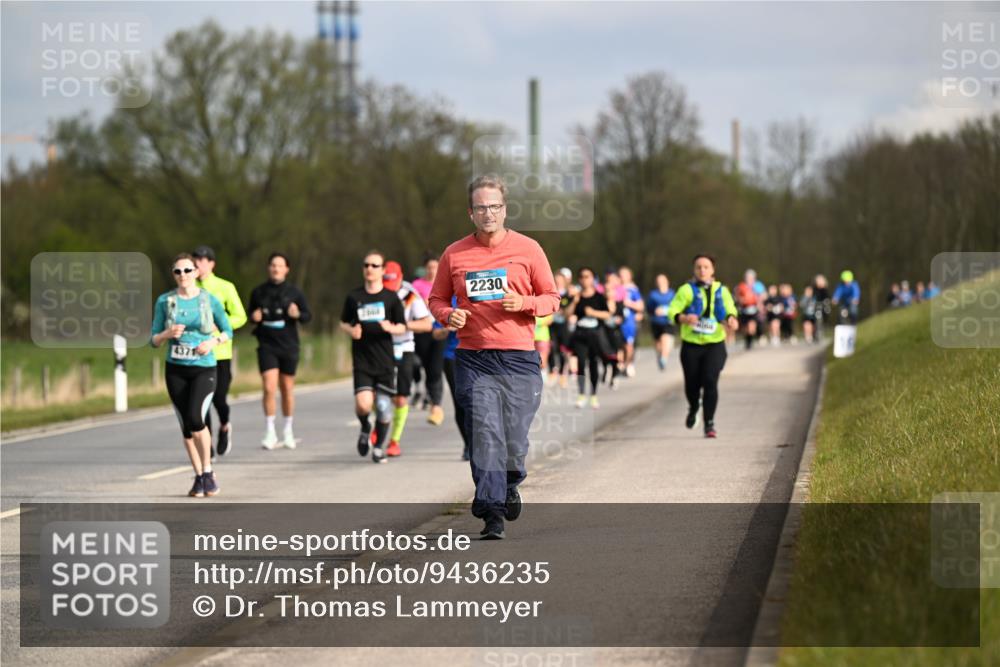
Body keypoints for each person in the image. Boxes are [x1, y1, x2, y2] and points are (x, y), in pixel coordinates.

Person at [428, 175, 559, 540]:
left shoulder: (529, 249)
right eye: (481, 207)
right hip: (474, 358)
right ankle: (492, 513)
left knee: (514, 441)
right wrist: (446, 315)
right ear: (471, 213)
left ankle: (509, 481)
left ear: (505, 209)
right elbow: (436, 299)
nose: (488, 213)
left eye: (495, 207)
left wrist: (525, 303)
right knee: (485, 434)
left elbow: (552, 297)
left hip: (519, 358)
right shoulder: (454, 253)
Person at [151, 253, 233, 497]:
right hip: (175, 368)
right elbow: (153, 339)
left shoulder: (209, 300)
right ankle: (199, 477)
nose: (183, 276)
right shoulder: (165, 302)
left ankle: (208, 471)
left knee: (197, 418)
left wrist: (213, 342)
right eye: (178, 272)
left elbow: (228, 330)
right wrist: (167, 333)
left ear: (196, 273)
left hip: (204, 367)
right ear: (173, 275)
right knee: (186, 426)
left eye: (187, 270)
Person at [340, 251, 407, 463]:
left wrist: (391, 328)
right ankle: (365, 427)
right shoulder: (354, 297)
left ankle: (379, 447)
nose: (370, 269)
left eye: (375, 266)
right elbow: (343, 322)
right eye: (366, 265)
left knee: (384, 408)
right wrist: (351, 331)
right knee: (363, 405)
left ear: (382, 270)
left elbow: (403, 326)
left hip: (385, 360)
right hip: (362, 360)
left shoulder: (390, 298)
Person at [666, 254, 739, 439]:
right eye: (698, 267)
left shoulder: (721, 290)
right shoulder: (686, 290)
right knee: (692, 384)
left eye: (706, 267)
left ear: (712, 270)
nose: (702, 270)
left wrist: (731, 319)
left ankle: (709, 423)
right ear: (694, 270)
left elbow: (731, 309)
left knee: (710, 381)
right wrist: (683, 318)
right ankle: (693, 406)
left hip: (715, 343)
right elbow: (672, 311)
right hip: (691, 345)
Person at [248, 253, 312, 449]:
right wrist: (254, 316)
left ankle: (288, 429)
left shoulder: (294, 292)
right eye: (273, 265)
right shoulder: (258, 292)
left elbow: (308, 316)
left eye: (280, 266)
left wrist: (297, 314)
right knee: (269, 387)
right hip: (267, 344)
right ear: (268, 268)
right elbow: (249, 314)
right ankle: (269, 431)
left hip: (289, 345)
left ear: (286, 269)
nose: (276, 269)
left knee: (287, 388)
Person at [193, 245, 247, 457]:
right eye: (196, 259)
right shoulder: (189, 288)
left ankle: (225, 426)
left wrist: (221, 325)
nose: (198, 263)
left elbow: (240, 316)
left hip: (221, 353)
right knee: (201, 402)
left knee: (218, 399)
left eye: (203, 260)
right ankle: (208, 447)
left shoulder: (225, 287)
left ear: (211, 264)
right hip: (197, 354)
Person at [382, 261, 434, 458]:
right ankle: (378, 426)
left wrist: (404, 325)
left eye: (393, 283)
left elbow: (427, 324)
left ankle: (394, 440)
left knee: (400, 397)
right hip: (379, 349)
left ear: (401, 278)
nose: (390, 288)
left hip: (404, 348)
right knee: (379, 393)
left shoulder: (410, 294)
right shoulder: (375, 291)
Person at [567, 267, 616, 408]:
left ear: (593, 279)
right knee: (581, 363)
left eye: (587, 276)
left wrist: (593, 313)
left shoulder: (599, 297)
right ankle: (581, 394)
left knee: (594, 363)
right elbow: (567, 314)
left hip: (595, 334)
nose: (584, 279)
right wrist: (574, 302)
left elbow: (607, 314)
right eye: (582, 276)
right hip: (580, 334)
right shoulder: (577, 297)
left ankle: (594, 395)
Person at [411, 254, 447, 425]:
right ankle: (421, 390)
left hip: (439, 330)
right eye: (430, 268)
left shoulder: (444, 283)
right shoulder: (416, 286)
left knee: (435, 369)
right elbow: (408, 305)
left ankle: (436, 406)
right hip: (421, 331)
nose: (432, 271)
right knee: (418, 364)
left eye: (435, 267)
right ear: (425, 268)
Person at [433, 301, 471, 460]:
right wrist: (447, 327)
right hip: (453, 357)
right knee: (460, 402)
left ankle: (484, 442)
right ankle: (469, 444)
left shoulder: (483, 292)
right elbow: (436, 333)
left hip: (479, 355)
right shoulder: (449, 300)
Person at [547, 271, 573, 387]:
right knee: (552, 348)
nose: (557, 282)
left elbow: (568, 310)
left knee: (563, 350)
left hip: (563, 326)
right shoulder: (550, 293)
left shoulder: (568, 294)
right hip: (552, 326)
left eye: (559, 280)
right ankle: (553, 370)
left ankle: (563, 374)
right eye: (556, 280)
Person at [617, 266, 645, 377]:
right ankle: (621, 363)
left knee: (628, 345)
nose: (622, 277)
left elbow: (640, 306)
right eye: (620, 274)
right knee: (619, 345)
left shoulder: (633, 289)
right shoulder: (615, 288)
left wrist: (630, 304)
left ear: (629, 276)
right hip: (617, 321)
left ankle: (628, 364)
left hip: (629, 322)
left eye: (625, 274)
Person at [646, 273, 676, 370]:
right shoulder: (653, 295)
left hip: (668, 322)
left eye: (662, 280)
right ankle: (661, 355)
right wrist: (654, 311)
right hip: (656, 322)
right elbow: (649, 308)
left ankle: (663, 358)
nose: (660, 283)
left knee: (665, 339)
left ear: (667, 281)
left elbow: (676, 307)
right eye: (658, 281)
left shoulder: (672, 294)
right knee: (658, 344)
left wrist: (666, 310)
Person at [734, 269, 763, 350]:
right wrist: (741, 300)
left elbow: (761, 296)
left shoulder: (757, 286)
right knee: (745, 328)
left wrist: (759, 304)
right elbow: (737, 296)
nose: (749, 279)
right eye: (748, 277)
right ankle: (747, 341)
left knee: (751, 327)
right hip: (744, 309)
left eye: (751, 278)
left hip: (754, 309)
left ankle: (750, 342)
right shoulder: (741, 286)